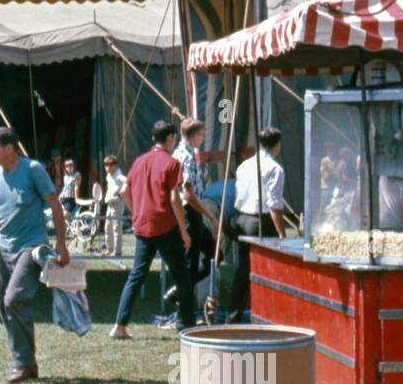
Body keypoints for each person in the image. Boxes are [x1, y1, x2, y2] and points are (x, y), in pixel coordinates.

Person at [0, 127, 69, 384]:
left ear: (9, 149)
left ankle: (21, 363)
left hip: (31, 248)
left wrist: (62, 245)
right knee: (5, 305)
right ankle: (27, 363)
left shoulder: (33, 170)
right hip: (4, 248)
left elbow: (56, 205)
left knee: (14, 299)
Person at [110, 121, 193, 339]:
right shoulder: (173, 163)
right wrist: (184, 230)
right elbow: (175, 198)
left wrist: (136, 212)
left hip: (142, 228)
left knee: (136, 276)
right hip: (166, 227)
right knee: (181, 276)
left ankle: (120, 325)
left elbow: (124, 191)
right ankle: (189, 326)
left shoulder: (139, 162)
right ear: (171, 138)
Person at [226, 127, 287, 324]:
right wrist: (281, 234)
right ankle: (267, 313)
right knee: (269, 268)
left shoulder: (244, 165)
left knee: (243, 270)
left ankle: (235, 315)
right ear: (276, 145)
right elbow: (274, 204)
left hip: (242, 218)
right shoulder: (275, 168)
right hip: (260, 221)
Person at [166, 118, 220, 315]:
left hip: (192, 212)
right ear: (193, 136)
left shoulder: (182, 153)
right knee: (192, 260)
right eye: (202, 135)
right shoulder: (186, 157)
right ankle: (183, 307)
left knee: (214, 254)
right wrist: (209, 215)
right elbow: (188, 194)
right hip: (190, 212)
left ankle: (178, 293)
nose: (203, 138)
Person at [102, 155, 128, 256]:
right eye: (106, 165)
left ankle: (117, 252)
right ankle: (109, 249)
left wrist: (121, 192)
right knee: (107, 227)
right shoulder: (109, 176)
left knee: (116, 228)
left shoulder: (119, 176)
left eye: (110, 165)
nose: (107, 167)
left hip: (117, 204)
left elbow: (128, 181)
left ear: (115, 166)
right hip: (109, 204)